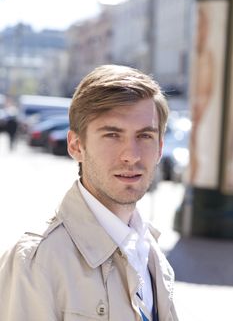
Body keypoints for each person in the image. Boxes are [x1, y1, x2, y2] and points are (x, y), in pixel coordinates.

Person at [0, 65, 179, 321]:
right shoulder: (36, 262)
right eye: (112, 135)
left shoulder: (151, 252)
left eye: (144, 136)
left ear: (160, 148)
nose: (131, 155)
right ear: (76, 145)